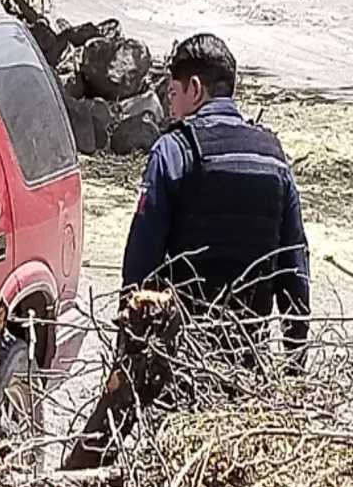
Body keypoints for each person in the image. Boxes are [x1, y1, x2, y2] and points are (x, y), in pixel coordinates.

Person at [121, 33, 310, 372]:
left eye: (173, 94)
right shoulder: (274, 156)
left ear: (195, 88)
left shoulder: (173, 152)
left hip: (181, 357)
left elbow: (141, 262)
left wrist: (128, 347)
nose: (170, 108)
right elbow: (294, 266)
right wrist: (295, 362)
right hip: (247, 359)